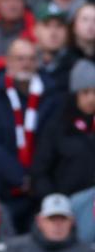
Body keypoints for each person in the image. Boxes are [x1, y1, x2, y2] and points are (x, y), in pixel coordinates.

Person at [0, 39, 59, 232]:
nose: (26, 64)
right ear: (8, 62)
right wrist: (21, 177)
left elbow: (53, 141)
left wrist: (36, 178)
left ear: (38, 63)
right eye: (20, 58)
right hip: (1, 188)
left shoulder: (53, 97)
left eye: (31, 59)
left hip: (42, 188)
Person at [31, 60, 95, 199]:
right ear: (75, 94)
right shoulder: (58, 126)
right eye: (85, 92)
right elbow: (40, 171)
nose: (91, 98)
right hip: (67, 206)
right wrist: (54, 200)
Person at [0, 193, 95, 252]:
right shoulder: (16, 250)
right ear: (39, 221)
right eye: (52, 219)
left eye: (63, 218)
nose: (58, 225)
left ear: (72, 221)